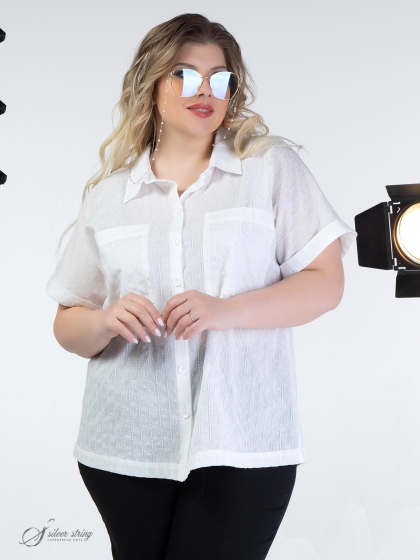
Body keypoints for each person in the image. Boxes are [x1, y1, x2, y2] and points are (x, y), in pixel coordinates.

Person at [46, 12, 356, 560]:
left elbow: (326, 283)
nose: (205, 91)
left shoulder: (270, 169)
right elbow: (69, 325)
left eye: (220, 77)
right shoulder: (110, 195)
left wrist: (224, 310)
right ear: (151, 85)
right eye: (185, 75)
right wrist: (104, 319)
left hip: (243, 441)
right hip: (126, 447)